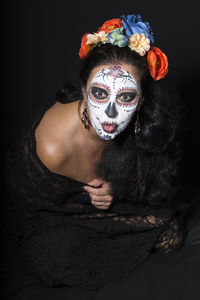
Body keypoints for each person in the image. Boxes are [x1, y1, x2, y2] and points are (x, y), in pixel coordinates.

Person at [1, 14, 200, 299]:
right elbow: (35, 207)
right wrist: (95, 203)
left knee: (172, 236)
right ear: (83, 90)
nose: (110, 113)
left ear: (142, 100)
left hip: (102, 204)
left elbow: (139, 177)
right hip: (50, 213)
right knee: (58, 259)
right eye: (99, 92)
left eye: (126, 97)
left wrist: (110, 192)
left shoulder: (141, 122)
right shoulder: (53, 148)